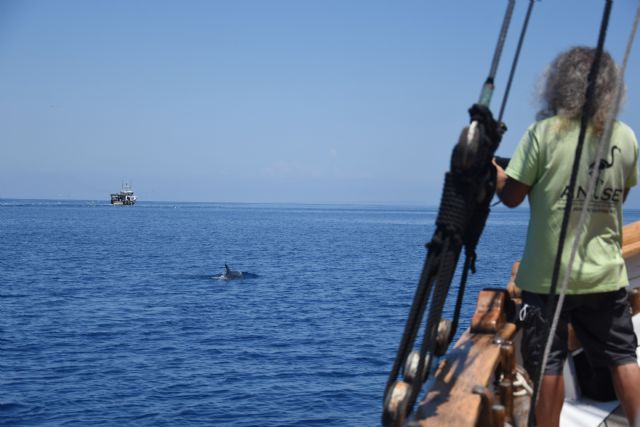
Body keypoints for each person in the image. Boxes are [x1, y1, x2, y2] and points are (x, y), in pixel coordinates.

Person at [494, 46, 640, 427]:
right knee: (624, 356)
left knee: (548, 364)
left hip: (547, 279)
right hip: (606, 276)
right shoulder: (625, 137)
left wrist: (495, 176)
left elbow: (511, 196)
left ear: (558, 87)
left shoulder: (543, 133)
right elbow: (618, 196)